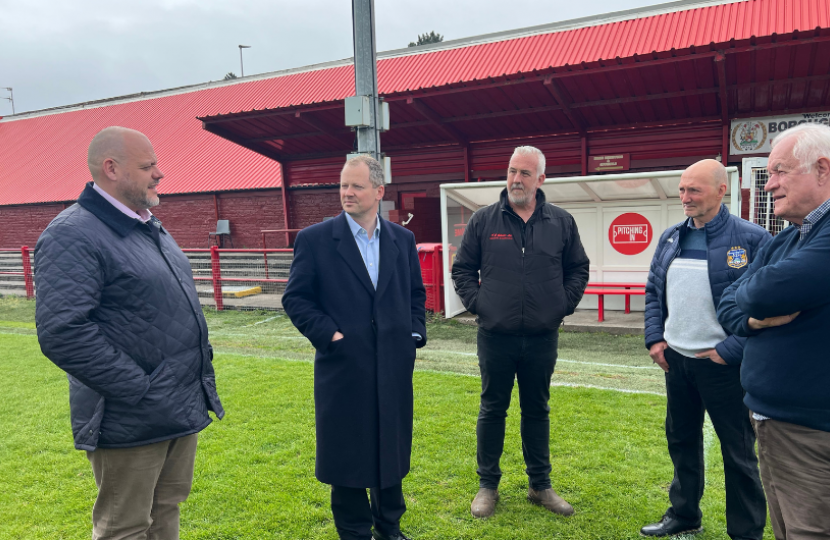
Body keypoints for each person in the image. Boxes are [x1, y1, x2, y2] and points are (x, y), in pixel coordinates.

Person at [34, 126, 224, 540]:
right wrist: (140, 389)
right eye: (148, 165)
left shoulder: (148, 225)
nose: (159, 173)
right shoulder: (73, 234)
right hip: (129, 415)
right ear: (112, 168)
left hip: (174, 407)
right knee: (125, 526)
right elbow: (63, 331)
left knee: (165, 511)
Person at [281, 154, 427, 540]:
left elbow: (415, 294)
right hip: (344, 368)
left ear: (378, 191)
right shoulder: (315, 240)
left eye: (356, 185)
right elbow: (296, 299)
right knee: (347, 451)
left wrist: (413, 335)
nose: (347, 192)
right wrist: (330, 335)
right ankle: (355, 531)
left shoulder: (402, 239)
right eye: (344, 185)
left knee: (390, 447)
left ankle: (390, 527)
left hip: (393, 366)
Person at [451, 145, 589, 519]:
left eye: (525, 173)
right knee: (493, 408)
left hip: (543, 337)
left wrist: (561, 304)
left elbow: (578, 268)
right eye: (512, 171)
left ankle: (540, 486)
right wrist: (482, 304)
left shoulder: (560, 221)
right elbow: (462, 270)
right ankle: (487, 486)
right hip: (496, 336)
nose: (516, 179)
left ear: (541, 180)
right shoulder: (484, 220)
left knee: (537, 410)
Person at [641, 159, 770, 538]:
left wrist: (730, 349)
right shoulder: (670, 237)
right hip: (676, 362)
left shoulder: (751, 239)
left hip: (723, 366)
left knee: (738, 452)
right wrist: (655, 338)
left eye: (694, 190)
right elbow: (653, 291)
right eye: (682, 189)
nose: (685, 197)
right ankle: (684, 514)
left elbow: (765, 305)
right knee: (681, 441)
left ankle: (746, 532)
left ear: (720, 190)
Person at [718, 123, 830, 540]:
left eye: (780, 171)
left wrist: (752, 299)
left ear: (822, 169)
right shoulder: (785, 240)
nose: (769, 186)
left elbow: (763, 290)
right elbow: (731, 305)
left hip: (813, 433)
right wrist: (751, 318)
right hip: (773, 422)